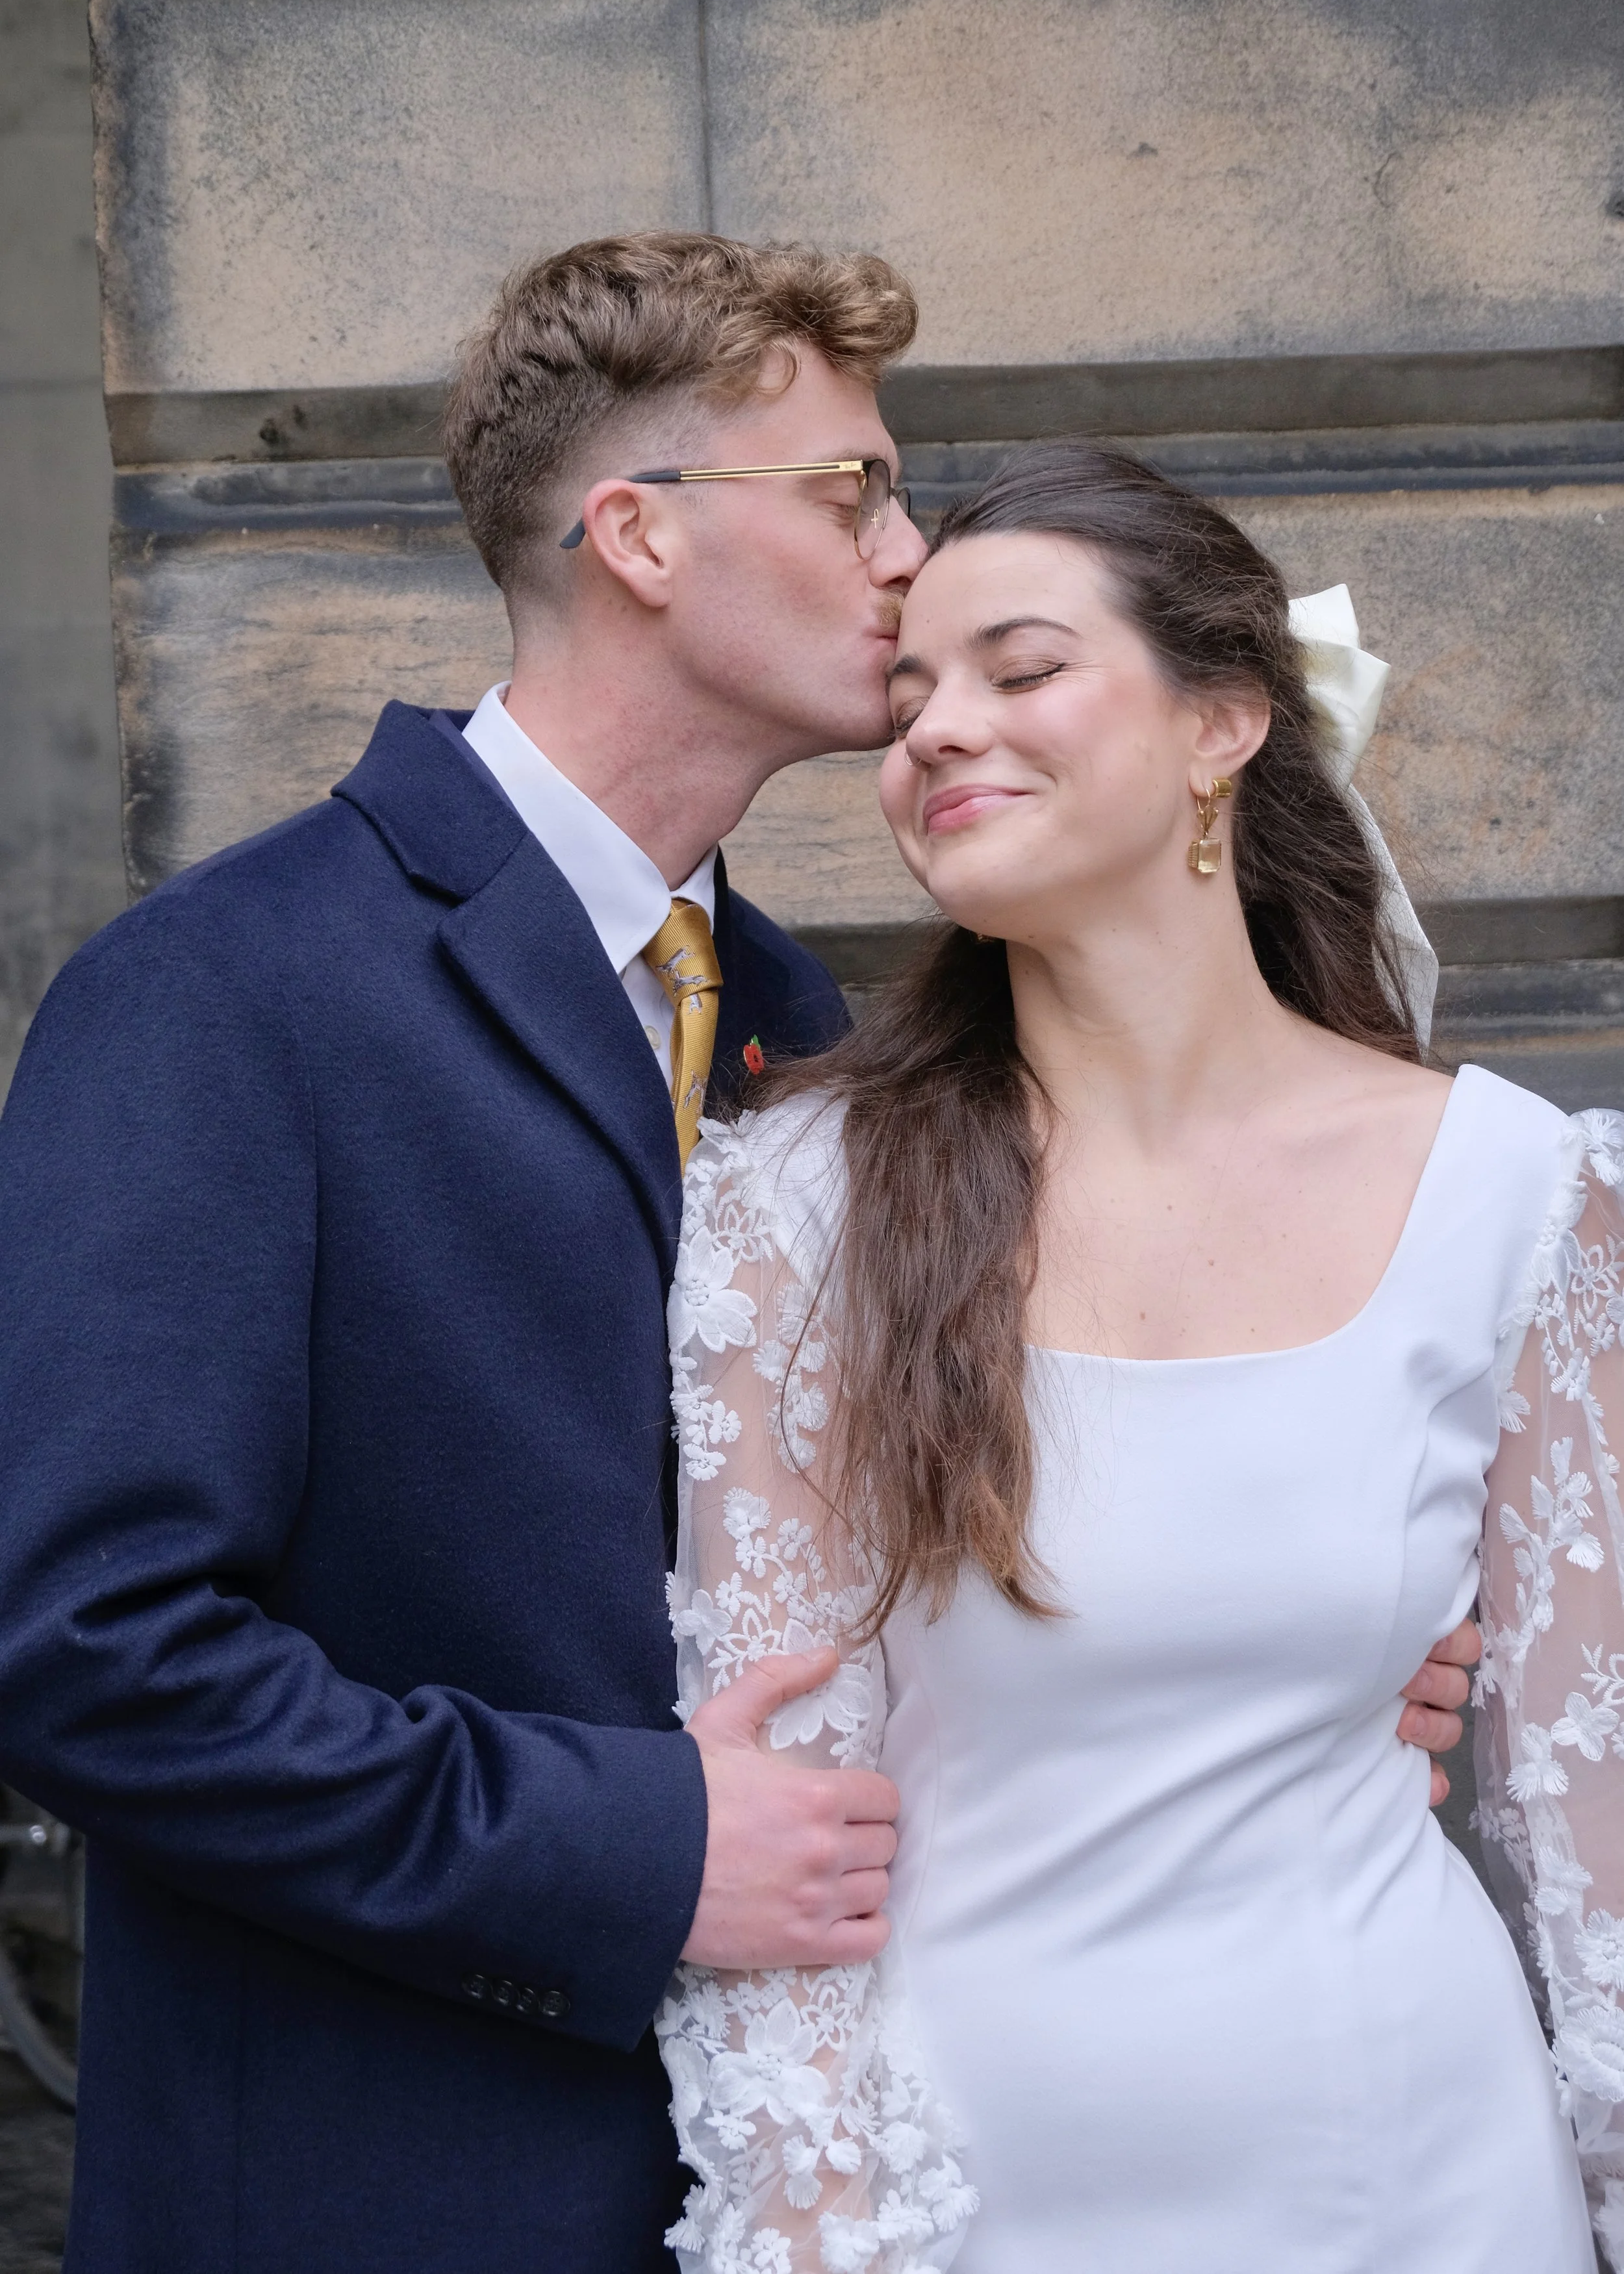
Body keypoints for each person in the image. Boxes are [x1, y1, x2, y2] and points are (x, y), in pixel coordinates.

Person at [0, 240, 1469, 2272]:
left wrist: (1292, 1644)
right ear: (640, 537)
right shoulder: (223, 992)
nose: (903, 554)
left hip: (824, 2180)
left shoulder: (822, 1036)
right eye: (850, 489)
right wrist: (632, 1847)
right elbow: (85, 1646)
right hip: (382, 2190)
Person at [659, 440, 1621, 2273]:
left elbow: (1605, 1841)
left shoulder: (1514, 1193)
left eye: (1017, 671)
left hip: (1413, 2174)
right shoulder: (797, 1212)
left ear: (1221, 727)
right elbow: (790, 1841)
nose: (936, 729)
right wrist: (803, 2236)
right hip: (982, 2188)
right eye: (907, 692)